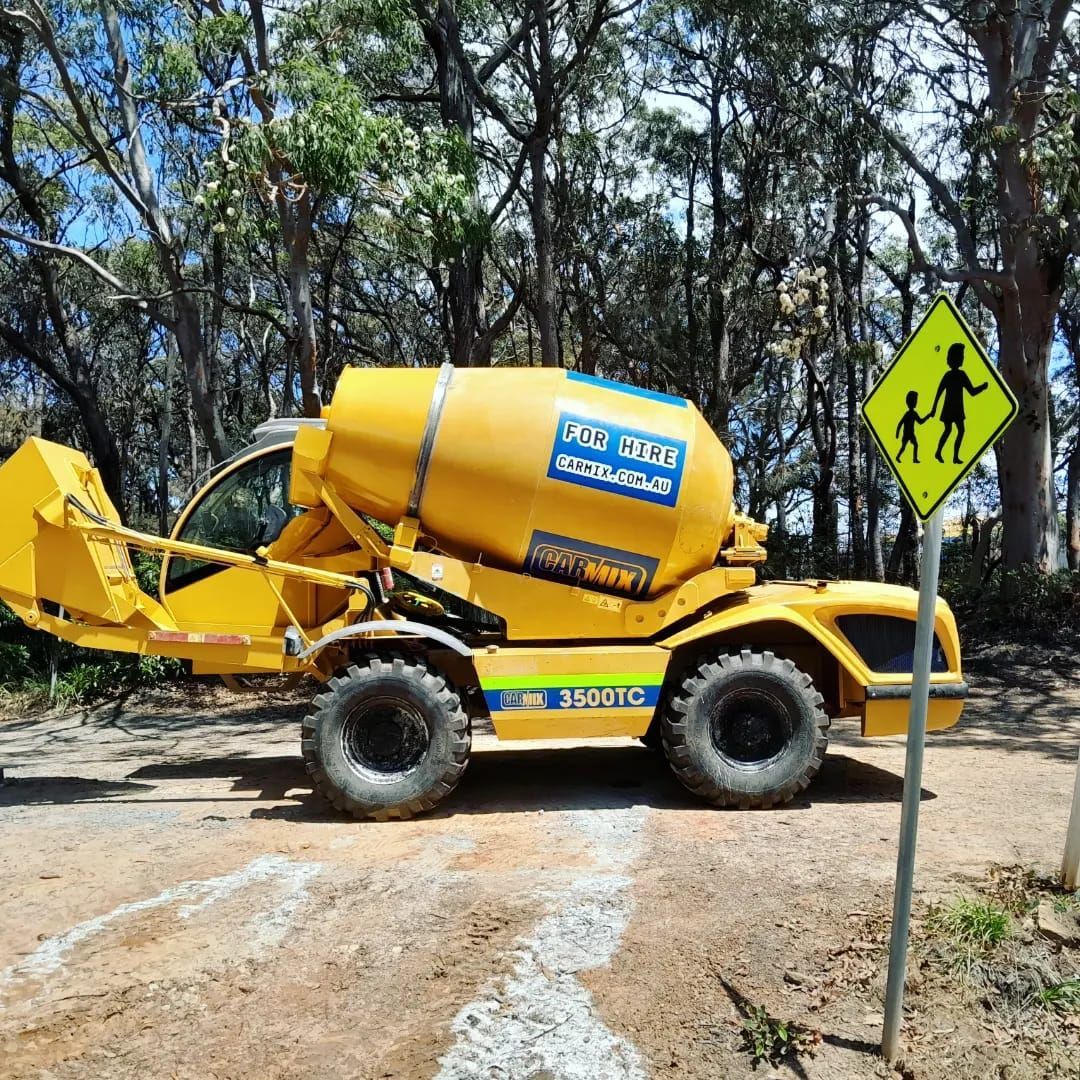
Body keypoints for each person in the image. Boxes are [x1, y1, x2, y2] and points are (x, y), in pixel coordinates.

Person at [930, 342, 987, 464]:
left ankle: (951, 456)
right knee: (953, 430)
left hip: (956, 408)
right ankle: (941, 453)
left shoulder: (960, 375)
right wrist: (934, 408)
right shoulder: (952, 375)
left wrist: (982, 387)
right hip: (951, 408)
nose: (963, 358)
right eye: (961, 356)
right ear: (955, 358)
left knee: (956, 431)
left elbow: (971, 391)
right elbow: (939, 392)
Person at [895, 390, 929, 463]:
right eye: (915, 401)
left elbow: (920, 421)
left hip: (911, 434)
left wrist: (928, 416)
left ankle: (914, 459)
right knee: (903, 447)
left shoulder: (914, 413)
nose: (916, 402)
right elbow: (900, 423)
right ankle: (898, 457)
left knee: (915, 445)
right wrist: (897, 433)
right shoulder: (908, 414)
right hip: (906, 434)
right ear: (911, 402)